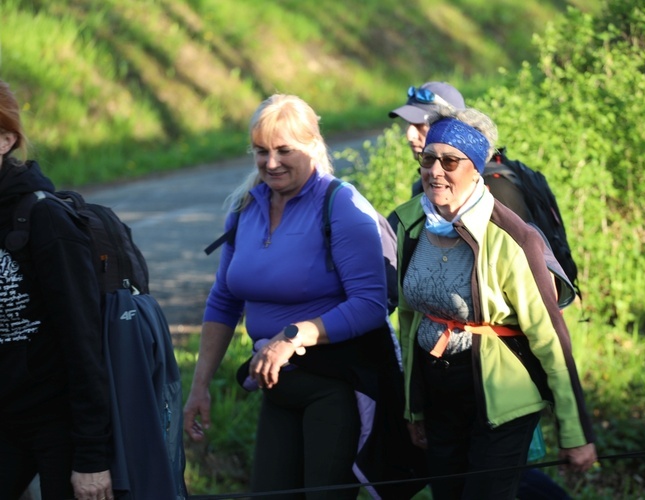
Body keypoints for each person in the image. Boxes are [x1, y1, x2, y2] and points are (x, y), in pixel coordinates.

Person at [183, 94, 393, 499]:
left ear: (313, 145)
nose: (271, 163)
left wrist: (294, 336)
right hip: (278, 387)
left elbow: (371, 303)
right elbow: (224, 300)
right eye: (261, 152)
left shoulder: (341, 206)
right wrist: (200, 385)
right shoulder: (246, 208)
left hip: (335, 386)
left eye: (284, 150)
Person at [391, 104, 597, 500]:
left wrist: (575, 433)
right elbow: (408, 320)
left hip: (502, 398)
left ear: (476, 168)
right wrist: (413, 408)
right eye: (428, 158)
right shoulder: (409, 225)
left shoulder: (512, 238)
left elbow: (551, 339)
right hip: (438, 397)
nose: (436, 171)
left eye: (450, 161)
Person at [0, 79, 114, 499]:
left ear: (6, 140)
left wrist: (91, 458)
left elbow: (83, 341)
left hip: (58, 425)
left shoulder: (45, 220)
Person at [388, 81, 531, 220]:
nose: (410, 135)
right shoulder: (425, 185)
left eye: (421, 125)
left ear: (452, 124)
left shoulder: (496, 186)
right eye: (409, 124)